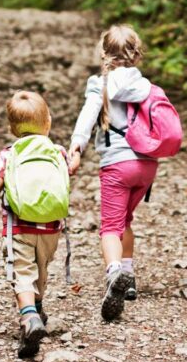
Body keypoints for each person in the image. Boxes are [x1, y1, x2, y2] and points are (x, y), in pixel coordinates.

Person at [68, 25, 158, 322]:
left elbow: (88, 114)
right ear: (137, 53)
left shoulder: (101, 84)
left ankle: (113, 275)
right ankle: (128, 279)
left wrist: (76, 146)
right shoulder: (145, 86)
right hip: (146, 165)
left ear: (104, 53)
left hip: (117, 164)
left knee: (110, 227)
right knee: (126, 221)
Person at [0, 91, 67, 359]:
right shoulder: (57, 151)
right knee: (41, 268)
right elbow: (68, 171)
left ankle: (29, 318)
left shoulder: (9, 153)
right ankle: (38, 307)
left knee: (22, 272)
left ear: (12, 129)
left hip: (19, 228)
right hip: (51, 228)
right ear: (48, 123)